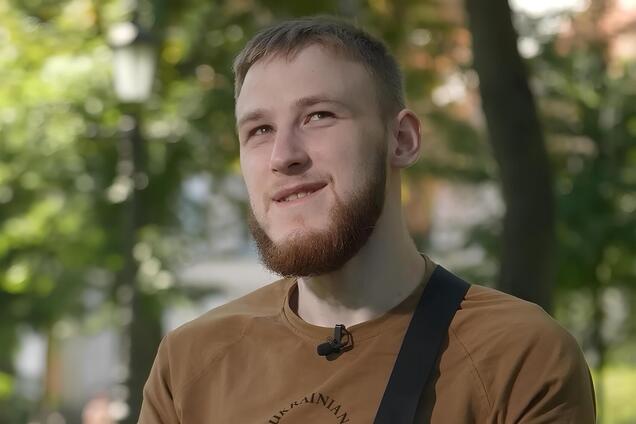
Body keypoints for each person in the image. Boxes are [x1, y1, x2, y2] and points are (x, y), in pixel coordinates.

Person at [138, 17, 596, 423]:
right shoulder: (189, 364)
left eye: (318, 116)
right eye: (259, 130)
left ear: (401, 140)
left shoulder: (516, 356)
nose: (283, 156)